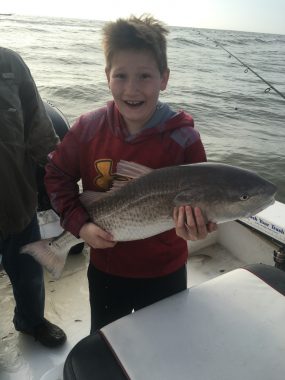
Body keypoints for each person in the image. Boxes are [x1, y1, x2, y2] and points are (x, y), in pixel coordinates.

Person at [44, 15, 217, 334]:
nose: (132, 88)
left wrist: (198, 229)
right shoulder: (87, 129)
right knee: (108, 342)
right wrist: (79, 226)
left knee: (163, 343)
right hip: (107, 270)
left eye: (145, 76)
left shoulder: (184, 140)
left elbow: (203, 205)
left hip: (166, 270)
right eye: (120, 76)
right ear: (106, 76)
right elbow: (56, 175)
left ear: (164, 78)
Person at [0, 47, 66, 347]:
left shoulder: (10, 63)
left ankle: (31, 321)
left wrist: (64, 180)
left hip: (17, 199)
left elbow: (39, 127)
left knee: (29, 274)